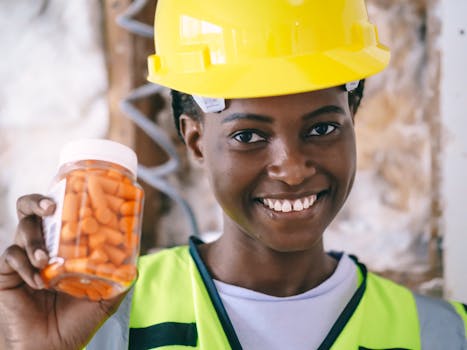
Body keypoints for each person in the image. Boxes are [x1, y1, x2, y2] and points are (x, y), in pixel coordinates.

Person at [1, 0, 466, 349]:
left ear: (353, 118)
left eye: (322, 128)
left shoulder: (445, 334)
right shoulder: (106, 318)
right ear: (196, 140)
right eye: (249, 136)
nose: (292, 168)